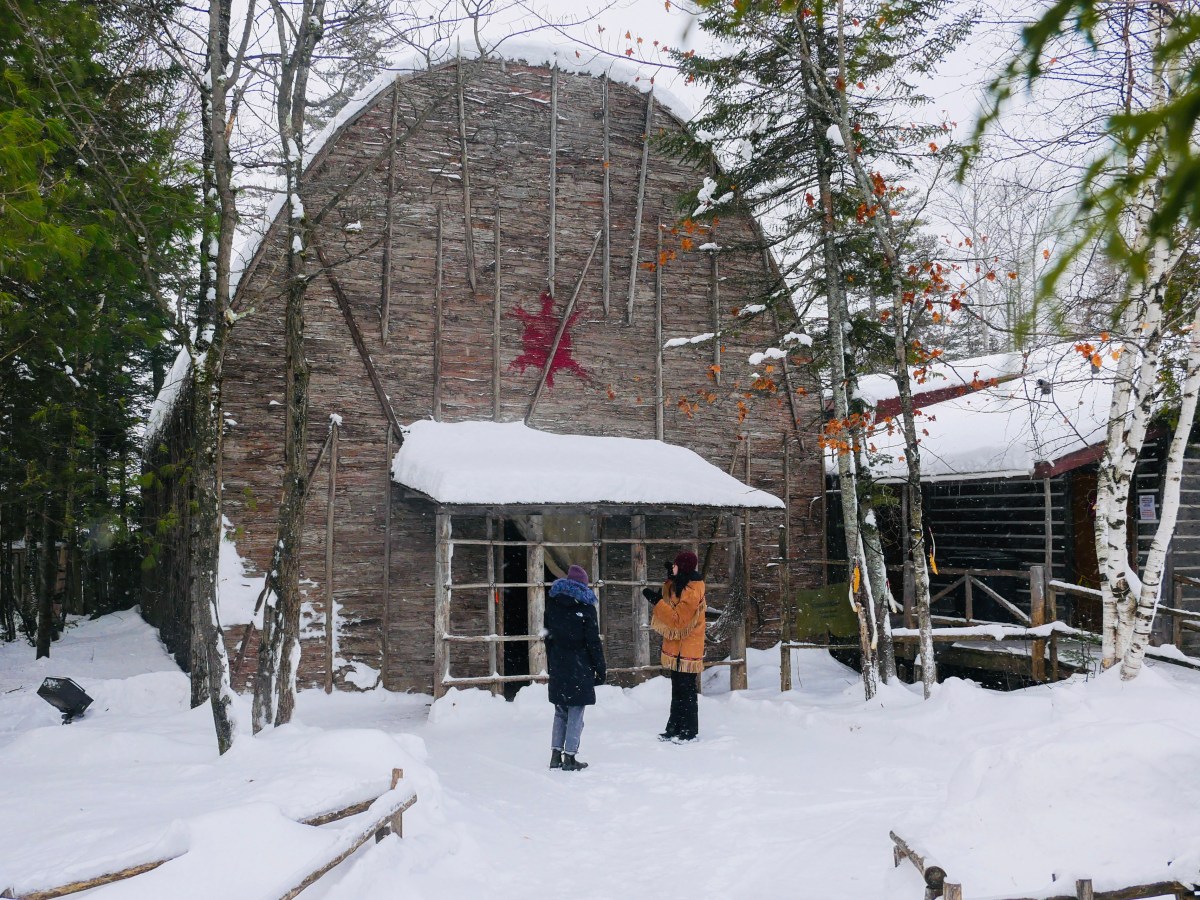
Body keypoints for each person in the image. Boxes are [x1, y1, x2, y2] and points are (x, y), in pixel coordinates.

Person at [544, 564, 606, 771]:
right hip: (580, 665)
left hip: (559, 663)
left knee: (560, 710)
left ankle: (555, 755)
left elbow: (548, 638)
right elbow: (592, 642)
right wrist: (600, 667)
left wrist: (552, 663)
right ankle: (570, 757)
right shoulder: (586, 608)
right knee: (576, 712)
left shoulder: (552, 604)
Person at [643, 550, 706, 742]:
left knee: (686, 691)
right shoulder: (682, 586)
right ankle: (674, 728)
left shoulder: (693, 591)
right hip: (678, 648)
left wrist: (656, 601)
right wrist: (671, 578)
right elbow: (672, 598)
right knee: (677, 689)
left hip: (688, 648)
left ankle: (689, 730)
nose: (673, 567)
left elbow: (677, 619)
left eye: (676, 565)